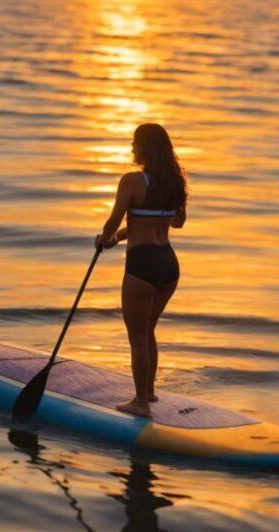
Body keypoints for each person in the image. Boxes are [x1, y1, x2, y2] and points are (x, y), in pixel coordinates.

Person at [95, 123, 187, 418]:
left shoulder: (132, 180)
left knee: (137, 337)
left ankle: (141, 404)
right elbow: (176, 223)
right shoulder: (175, 182)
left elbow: (114, 219)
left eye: (135, 143)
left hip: (142, 263)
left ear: (145, 148)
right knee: (148, 332)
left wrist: (104, 237)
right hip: (168, 263)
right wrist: (119, 238)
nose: (132, 148)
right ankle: (148, 391)